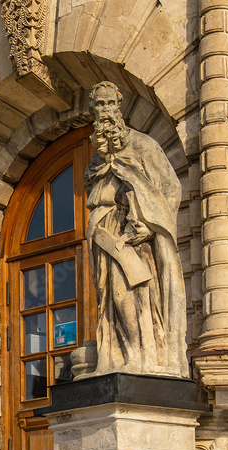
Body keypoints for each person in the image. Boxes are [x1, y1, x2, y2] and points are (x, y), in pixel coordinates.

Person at [82, 81, 188, 378]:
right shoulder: (96, 158)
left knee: (128, 294)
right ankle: (114, 357)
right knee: (108, 299)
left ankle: (143, 358)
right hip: (105, 237)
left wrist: (151, 228)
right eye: (98, 106)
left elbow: (169, 188)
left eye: (108, 105)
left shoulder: (142, 145)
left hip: (132, 237)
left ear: (119, 108)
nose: (104, 113)